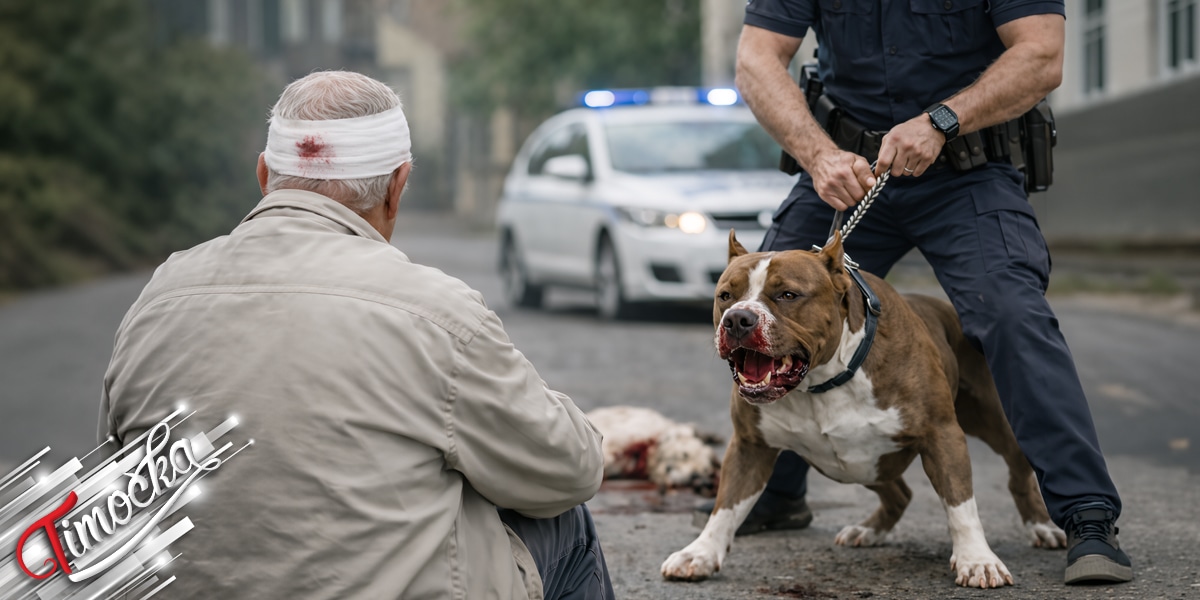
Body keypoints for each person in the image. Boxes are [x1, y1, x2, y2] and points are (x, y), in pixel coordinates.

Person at [98, 71, 614, 599]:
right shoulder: (436, 312)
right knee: (563, 520)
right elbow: (571, 469)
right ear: (397, 186)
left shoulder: (157, 298)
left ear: (264, 174)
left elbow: (120, 485)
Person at [694, 0, 1133, 586]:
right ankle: (776, 494)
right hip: (844, 171)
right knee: (770, 310)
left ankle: (1087, 513)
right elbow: (757, 58)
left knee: (1010, 312)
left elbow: (1041, 55)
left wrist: (941, 121)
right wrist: (817, 154)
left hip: (967, 168)